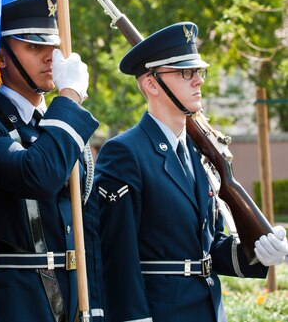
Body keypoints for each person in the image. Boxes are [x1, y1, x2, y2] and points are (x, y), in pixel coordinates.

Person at [95, 22, 288, 322]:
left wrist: (257, 252)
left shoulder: (199, 154)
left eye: (199, 71)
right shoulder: (125, 153)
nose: (198, 80)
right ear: (151, 84)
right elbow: (118, 258)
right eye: (186, 72)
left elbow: (208, 246)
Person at [0, 0, 104, 322]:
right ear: (2, 57)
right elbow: (36, 174)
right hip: (18, 302)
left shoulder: (55, 123)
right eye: (35, 47)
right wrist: (70, 97)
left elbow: (83, 224)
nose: (50, 57)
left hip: (73, 296)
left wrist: (95, 305)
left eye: (53, 47)